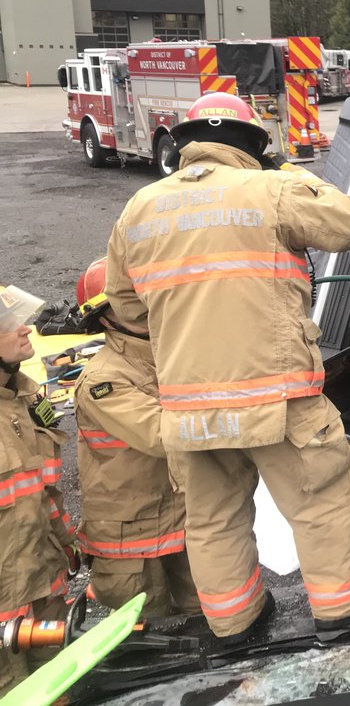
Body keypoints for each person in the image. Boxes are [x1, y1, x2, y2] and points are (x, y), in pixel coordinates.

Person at [104, 92, 350, 644]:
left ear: (186, 143)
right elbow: (349, 224)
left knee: (213, 518)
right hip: (277, 397)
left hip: (190, 409)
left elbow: (125, 307)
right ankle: (342, 611)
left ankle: (235, 622)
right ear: (255, 146)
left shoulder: (139, 208)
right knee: (318, 502)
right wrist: (286, 171)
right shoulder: (273, 188)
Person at [72, 257, 199, 618]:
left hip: (183, 526)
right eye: (134, 301)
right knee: (146, 643)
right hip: (130, 544)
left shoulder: (172, 359)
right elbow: (163, 435)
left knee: (210, 625)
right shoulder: (102, 381)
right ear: (106, 317)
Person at [0, 285, 76, 695]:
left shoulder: (25, 397)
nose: (26, 331)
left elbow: (44, 491)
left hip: (44, 584)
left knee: (59, 683)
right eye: (8, 326)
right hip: (4, 605)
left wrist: (69, 545)